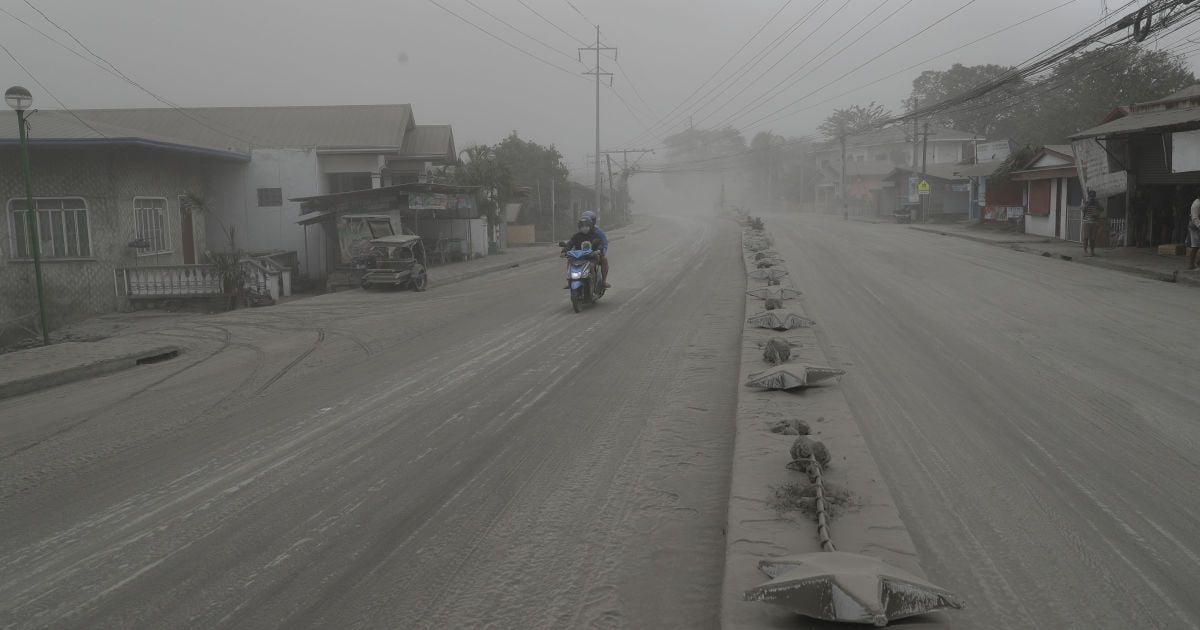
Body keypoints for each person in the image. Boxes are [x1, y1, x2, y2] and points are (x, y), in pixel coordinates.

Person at [562, 215, 605, 289]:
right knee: (569, 261)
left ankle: (593, 285)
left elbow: (600, 244)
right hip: (578, 258)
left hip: (591, 258)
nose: (584, 228)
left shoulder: (595, 235)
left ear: (590, 226)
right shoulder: (576, 236)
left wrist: (598, 250)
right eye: (582, 226)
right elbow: (570, 244)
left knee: (591, 266)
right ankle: (570, 281)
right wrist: (564, 251)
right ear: (579, 227)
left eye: (586, 226)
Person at [581, 210, 611, 288]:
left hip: (595, 254)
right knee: (570, 260)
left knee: (604, 259)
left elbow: (604, 244)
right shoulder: (581, 232)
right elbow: (573, 242)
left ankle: (603, 282)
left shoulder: (598, 232)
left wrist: (601, 252)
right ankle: (570, 279)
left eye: (587, 222)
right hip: (581, 255)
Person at [1082, 190, 1102, 256]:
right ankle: (1085, 251)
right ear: (1089, 196)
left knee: (1093, 238)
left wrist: (1097, 204)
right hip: (1087, 222)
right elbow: (1083, 210)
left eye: (1094, 195)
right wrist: (1089, 203)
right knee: (1086, 237)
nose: (1092, 197)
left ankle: (1092, 251)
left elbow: (1102, 209)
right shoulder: (1086, 202)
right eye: (1091, 196)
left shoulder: (1097, 202)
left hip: (1094, 222)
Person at [1188, 195, 1200, 270]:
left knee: (1195, 246)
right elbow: (1194, 218)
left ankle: (1197, 263)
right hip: (1195, 227)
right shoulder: (1196, 204)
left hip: (1197, 225)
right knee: (1195, 246)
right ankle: (1191, 264)